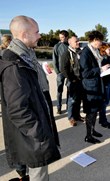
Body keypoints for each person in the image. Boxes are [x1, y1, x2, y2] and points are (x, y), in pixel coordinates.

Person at [0, 15, 61, 181]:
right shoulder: (14, 64)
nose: (40, 35)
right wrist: (39, 132)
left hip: (36, 129)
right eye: (37, 32)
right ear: (24, 35)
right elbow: (17, 109)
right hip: (33, 137)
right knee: (39, 175)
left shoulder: (27, 56)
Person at [80, 30, 110, 144]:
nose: (101, 43)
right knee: (90, 112)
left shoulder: (95, 51)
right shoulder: (86, 53)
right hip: (90, 88)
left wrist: (104, 67)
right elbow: (85, 73)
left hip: (97, 85)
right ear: (94, 40)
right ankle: (88, 135)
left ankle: (92, 131)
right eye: (100, 40)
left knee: (95, 111)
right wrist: (101, 69)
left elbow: (96, 66)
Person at [61, 35, 85, 127]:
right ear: (70, 42)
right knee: (72, 100)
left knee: (78, 100)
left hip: (80, 80)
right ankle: (71, 118)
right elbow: (63, 69)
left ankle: (77, 115)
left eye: (78, 41)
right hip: (72, 81)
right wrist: (72, 79)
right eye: (76, 41)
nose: (78, 43)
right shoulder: (66, 54)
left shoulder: (79, 52)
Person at [53, 30, 69, 114]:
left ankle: (68, 107)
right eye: (60, 37)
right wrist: (58, 72)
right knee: (59, 91)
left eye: (62, 37)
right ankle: (59, 108)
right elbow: (54, 60)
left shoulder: (70, 46)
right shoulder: (57, 46)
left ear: (67, 37)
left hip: (69, 72)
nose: (61, 39)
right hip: (60, 73)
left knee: (69, 90)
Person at [99, 43, 110, 128]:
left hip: (109, 81)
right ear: (104, 50)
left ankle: (102, 119)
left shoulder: (108, 58)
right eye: (109, 49)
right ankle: (103, 120)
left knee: (106, 101)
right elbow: (101, 71)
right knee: (104, 102)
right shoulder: (103, 59)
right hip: (105, 82)